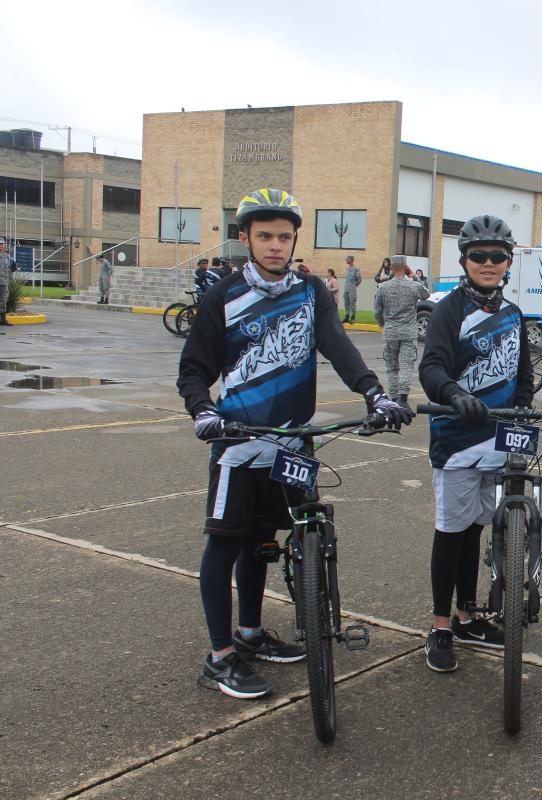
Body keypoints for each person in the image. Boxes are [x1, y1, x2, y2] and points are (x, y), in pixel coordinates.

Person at [176, 188, 412, 699]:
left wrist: (375, 394)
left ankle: (251, 634)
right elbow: (194, 370)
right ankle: (219, 658)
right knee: (223, 544)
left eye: (284, 237)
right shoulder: (223, 296)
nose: (276, 245)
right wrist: (203, 411)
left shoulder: (311, 293)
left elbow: (340, 350)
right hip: (237, 444)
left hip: (292, 446)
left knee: (263, 544)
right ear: (245, 238)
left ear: (294, 240)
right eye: (265, 236)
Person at [419, 214, 534, 673]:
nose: (488, 263)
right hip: (458, 439)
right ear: (465, 260)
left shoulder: (512, 312)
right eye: (478, 256)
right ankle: (441, 625)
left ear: (509, 261)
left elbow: (524, 374)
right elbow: (431, 370)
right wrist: (455, 395)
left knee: (474, 532)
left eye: (497, 256)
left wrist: (524, 408)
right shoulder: (449, 309)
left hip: (500, 438)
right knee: (451, 533)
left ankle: (467, 615)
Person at [374, 255, 430, 405]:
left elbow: (377, 311)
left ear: (391, 268)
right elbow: (426, 294)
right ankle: (403, 398)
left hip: (391, 332)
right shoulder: (414, 286)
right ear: (406, 267)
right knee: (406, 367)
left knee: (392, 368)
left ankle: (393, 398)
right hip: (408, 332)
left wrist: (382, 323)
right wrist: (415, 277)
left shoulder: (383, 287)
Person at [342, 255, 361, 324]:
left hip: (352, 288)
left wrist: (354, 285)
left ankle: (353, 317)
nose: (346, 260)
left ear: (351, 260)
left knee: (352, 303)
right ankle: (347, 316)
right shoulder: (347, 269)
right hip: (346, 288)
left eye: (347, 259)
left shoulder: (356, 269)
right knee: (346, 303)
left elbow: (359, 279)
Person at [0, 237, 13, 327]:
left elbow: (10, 269)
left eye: (2, 244)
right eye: (0, 244)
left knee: (3, 300)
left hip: (4, 282)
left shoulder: (7, 256)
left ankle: (3, 319)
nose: (1, 246)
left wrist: (10, 279)